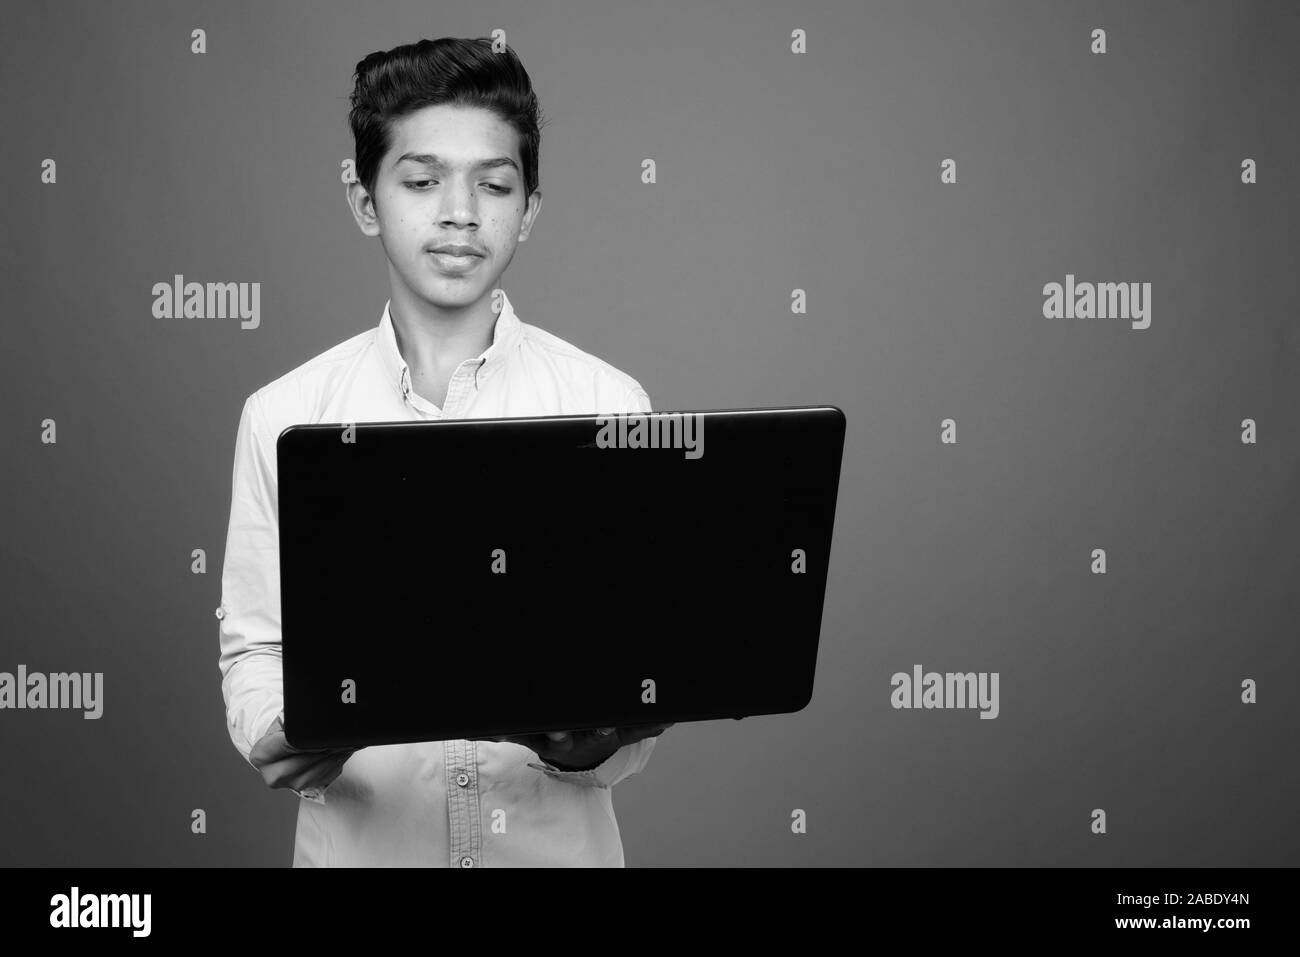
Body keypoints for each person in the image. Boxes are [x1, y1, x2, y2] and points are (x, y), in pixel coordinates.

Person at [217, 36, 672, 867]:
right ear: (364, 199)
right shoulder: (282, 416)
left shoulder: (610, 406)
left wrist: (591, 742)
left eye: (493, 184)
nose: (460, 211)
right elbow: (256, 650)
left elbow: (635, 683)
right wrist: (286, 729)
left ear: (529, 208)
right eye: (423, 181)